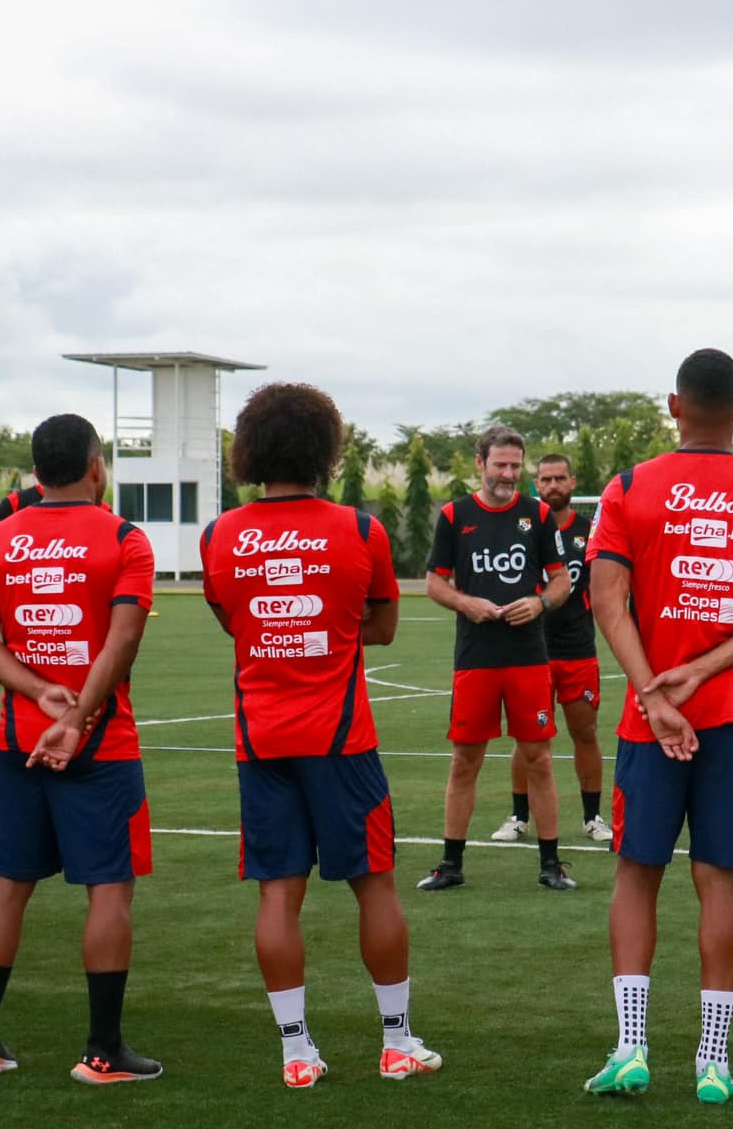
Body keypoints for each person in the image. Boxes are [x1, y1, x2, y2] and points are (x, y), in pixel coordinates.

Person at [582, 348, 733, 1105]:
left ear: (674, 405)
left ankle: (631, 1049)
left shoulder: (627, 488)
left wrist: (654, 693)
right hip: (732, 720)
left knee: (636, 874)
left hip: (651, 721)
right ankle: (712, 1059)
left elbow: (606, 602)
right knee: (719, 881)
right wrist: (705, 674)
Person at [201, 383, 439, 1089]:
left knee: (278, 894)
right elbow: (385, 628)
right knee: (375, 888)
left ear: (251, 449)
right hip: (342, 743)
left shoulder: (220, 536)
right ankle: (396, 1042)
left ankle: (295, 1050)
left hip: (261, 741)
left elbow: (236, 627)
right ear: (325, 448)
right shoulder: (359, 531)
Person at [0, 415, 162, 1084]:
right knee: (109, 892)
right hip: (101, 746)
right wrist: (76, 712)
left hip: (17, 743)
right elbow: (121, 642)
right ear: (96, 466)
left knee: (7, 888)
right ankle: (103, 1052)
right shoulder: (125, 538)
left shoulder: (2, 538)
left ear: (38, 473)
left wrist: (40, 693)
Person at [418, 426, 574, 892]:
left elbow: (562, 580)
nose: (507, 474)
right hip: (476, 657)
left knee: (539, 759)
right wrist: (467, 603)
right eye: (499, 465)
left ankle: (551, 864)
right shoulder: (455, 515)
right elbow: (434, 582)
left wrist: (541, 602)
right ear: (479, 464)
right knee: (465, 760)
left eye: (514, 465)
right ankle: (451, 865)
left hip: (528, 657)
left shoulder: (538, 514)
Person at [496, 452, 612, 844]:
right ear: (536, 484)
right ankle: (518, 816)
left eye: (559, 478)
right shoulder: (523, 528)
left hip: (578, 650)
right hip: (531, 650)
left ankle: (593, 817)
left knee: (585, 732)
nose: (552, 486)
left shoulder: (588, 532)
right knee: (528, 738)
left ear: (573, 482)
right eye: (545, 480)